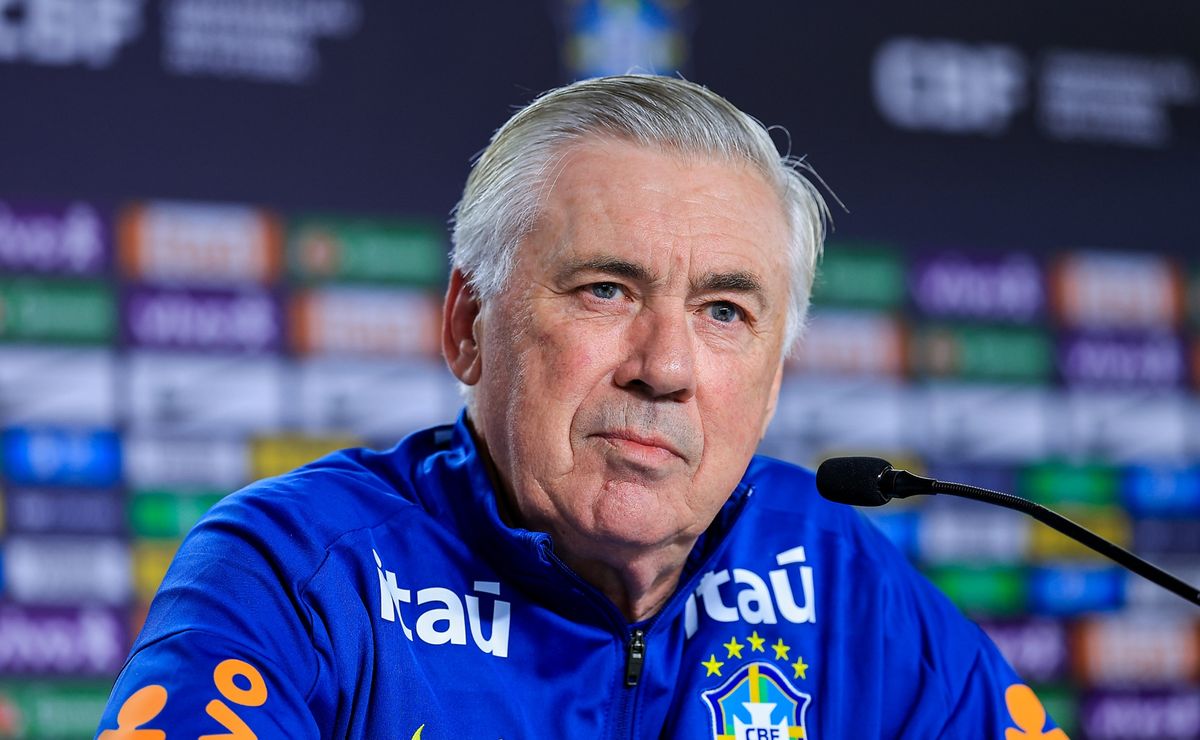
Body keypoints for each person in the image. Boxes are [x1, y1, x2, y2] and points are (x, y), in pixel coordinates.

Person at [97, 75, 1065, 739]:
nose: (665, 365)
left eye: (725, 310)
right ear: (468, 324)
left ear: (772, 382)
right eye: (606, 288)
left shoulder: (843, 576)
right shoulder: (297, 570)